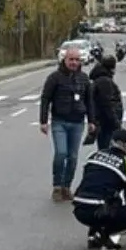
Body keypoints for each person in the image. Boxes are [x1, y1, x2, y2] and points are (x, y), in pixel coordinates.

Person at [71, 128, 126, 249]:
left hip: (79, 210)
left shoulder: (94, 156)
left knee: (110, 200)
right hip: (100, 211)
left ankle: (94, 234)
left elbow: (90, 180)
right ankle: (104, 232)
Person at [39, 47, 92, 202]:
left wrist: (92, 121)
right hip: (59, 122)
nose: (74, 63)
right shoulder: (54, 77)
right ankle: (57, 186)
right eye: (71, 59)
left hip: (78, 123)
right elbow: (45, 98)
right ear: (65, 60)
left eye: (77, 60)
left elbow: (89, 101)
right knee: (61, 153)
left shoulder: (84, 78)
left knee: (73, 157)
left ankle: (66, 187)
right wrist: (43, 121)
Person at [89, 55, 124, 151]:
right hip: (107, 123)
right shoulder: (105, 81)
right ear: (112, 67)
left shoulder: (100, 79)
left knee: (104, 148)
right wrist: (116, 122)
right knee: (108, 150)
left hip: (103, 121)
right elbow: (107, 104)